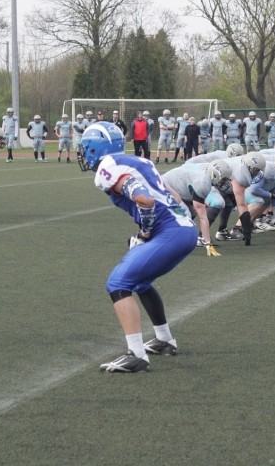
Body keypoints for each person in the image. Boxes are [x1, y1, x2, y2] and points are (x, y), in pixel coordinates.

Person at [80, 122, 197, 373]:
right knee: (141, 282)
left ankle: (136, 354)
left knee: (118, 283)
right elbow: (173, 197)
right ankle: (164, 339)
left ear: (93, 149)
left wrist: (144, 233)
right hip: (182, 228)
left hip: (170, 231)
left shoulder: (107, 168)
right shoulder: (139, 161)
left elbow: (144, 198)